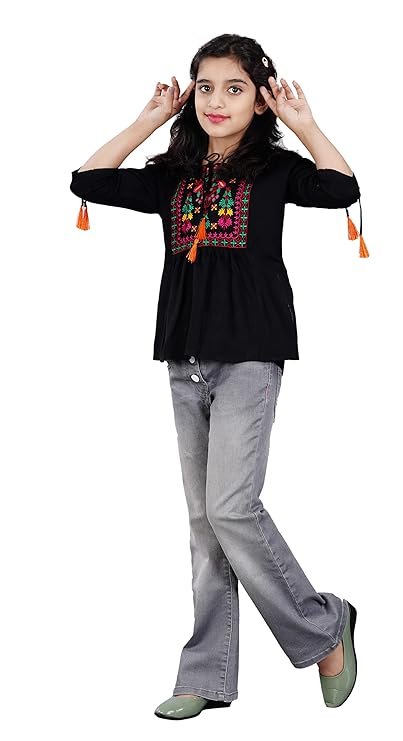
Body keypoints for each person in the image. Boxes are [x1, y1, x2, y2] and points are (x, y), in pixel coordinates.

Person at [70, 33, 364, 721]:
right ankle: (207, 673)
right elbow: (88, 181)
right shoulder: (172, 175)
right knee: (206, 524)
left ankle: (325, 626)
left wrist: (304, 124)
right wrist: (148, 119)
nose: (217, 101)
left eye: (235, 89)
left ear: (260, 100)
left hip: (251, 356)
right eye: (205, 87)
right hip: (185, 359)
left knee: (231, 508)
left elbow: (342, 187)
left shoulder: (275, 171)